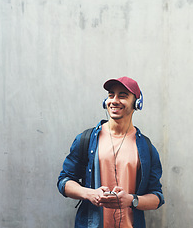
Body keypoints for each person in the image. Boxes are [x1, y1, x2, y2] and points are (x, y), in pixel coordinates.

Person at [57, 76, 164, 228]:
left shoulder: (146, 148)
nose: (114, 100)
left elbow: (157, 197)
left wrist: (131, 200)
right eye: (110, 95)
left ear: (137, 103)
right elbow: (64, 181)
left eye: (122, 96)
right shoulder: (86, 140)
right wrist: (90, 193)